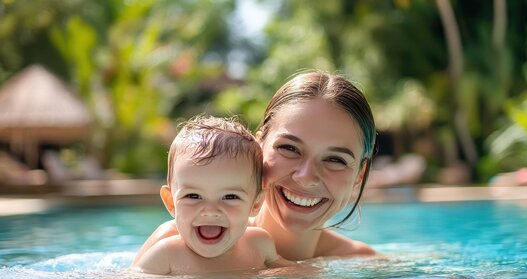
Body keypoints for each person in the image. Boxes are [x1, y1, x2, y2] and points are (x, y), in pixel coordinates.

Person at [133, 70, 378, 262]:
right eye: (289, 148)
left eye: (335, 159)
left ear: (359, 174)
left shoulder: (363, 264)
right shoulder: (175, 247)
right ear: (259, 145)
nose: (306, 177)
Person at [131, 115, 292, 275]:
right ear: (171, 202)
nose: (210, 210)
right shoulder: (166, 255)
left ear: (255, 204)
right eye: (193, 196)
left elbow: (293, 274)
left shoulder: (258, 244)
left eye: (230, 197)